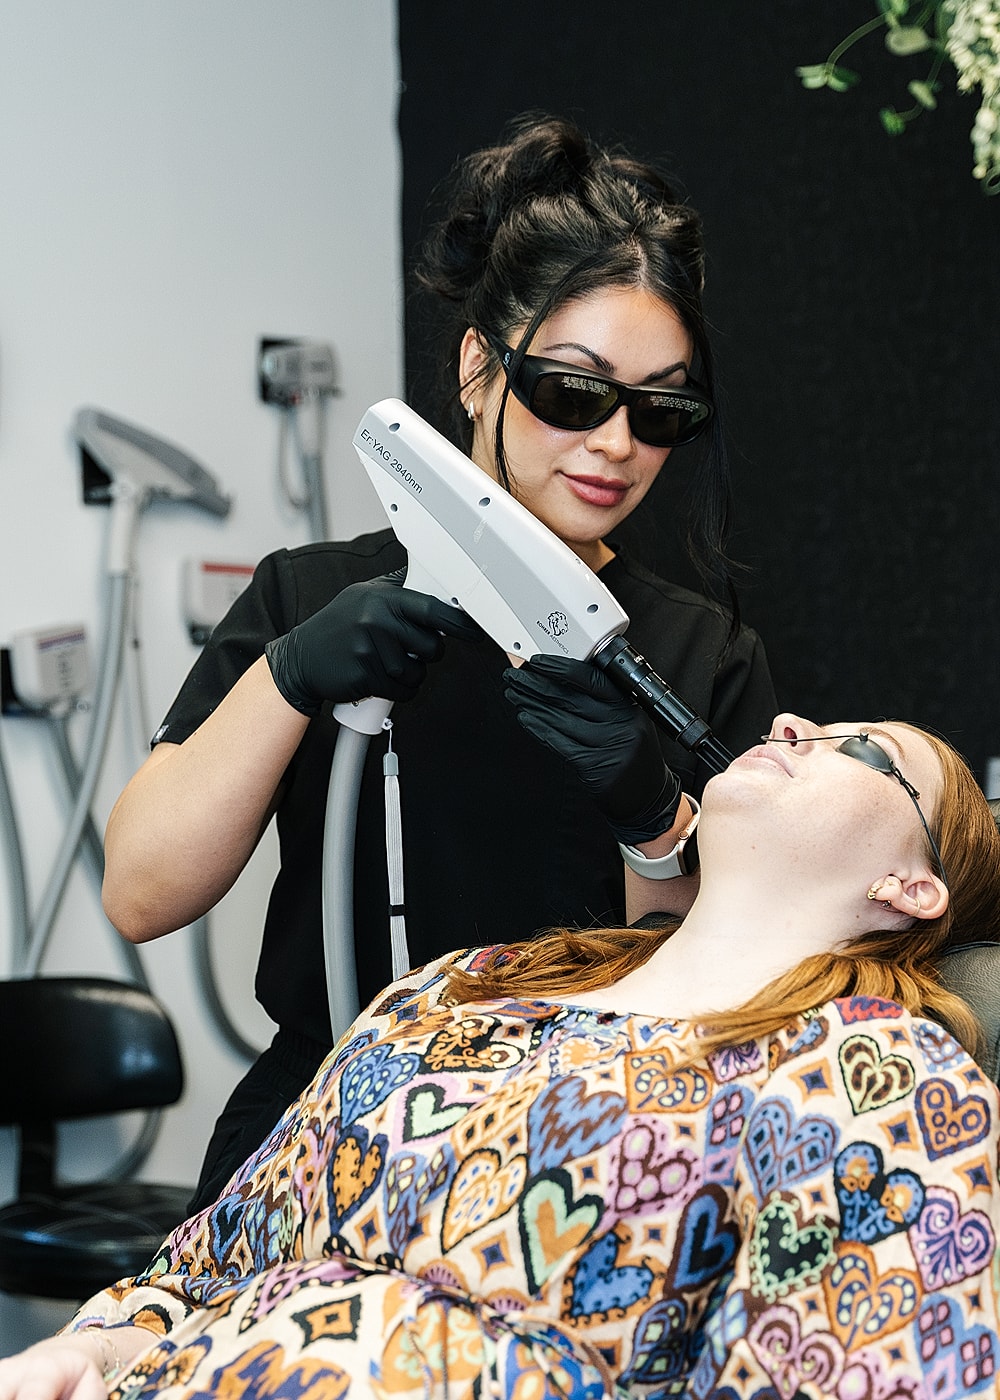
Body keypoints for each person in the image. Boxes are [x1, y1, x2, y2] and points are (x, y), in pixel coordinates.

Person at [101, 113, 776, 1213]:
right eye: (573, 390)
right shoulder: (309, 597)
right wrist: (287, 676)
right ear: (479, 367)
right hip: (315, 1125)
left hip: (576, 1145)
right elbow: (139, 891)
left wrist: (652, 815)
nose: (614, 443)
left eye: (660, 410)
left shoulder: (701, 654)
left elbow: (738, 985)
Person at [5, 711, 1000, 1398]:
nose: (791, 727)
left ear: (908, 886)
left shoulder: (870, 1070)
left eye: (861, 749)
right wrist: (91, 1342)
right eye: (808, 720)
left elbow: (873, 1361)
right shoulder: (465, 984)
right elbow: (215, 1262)